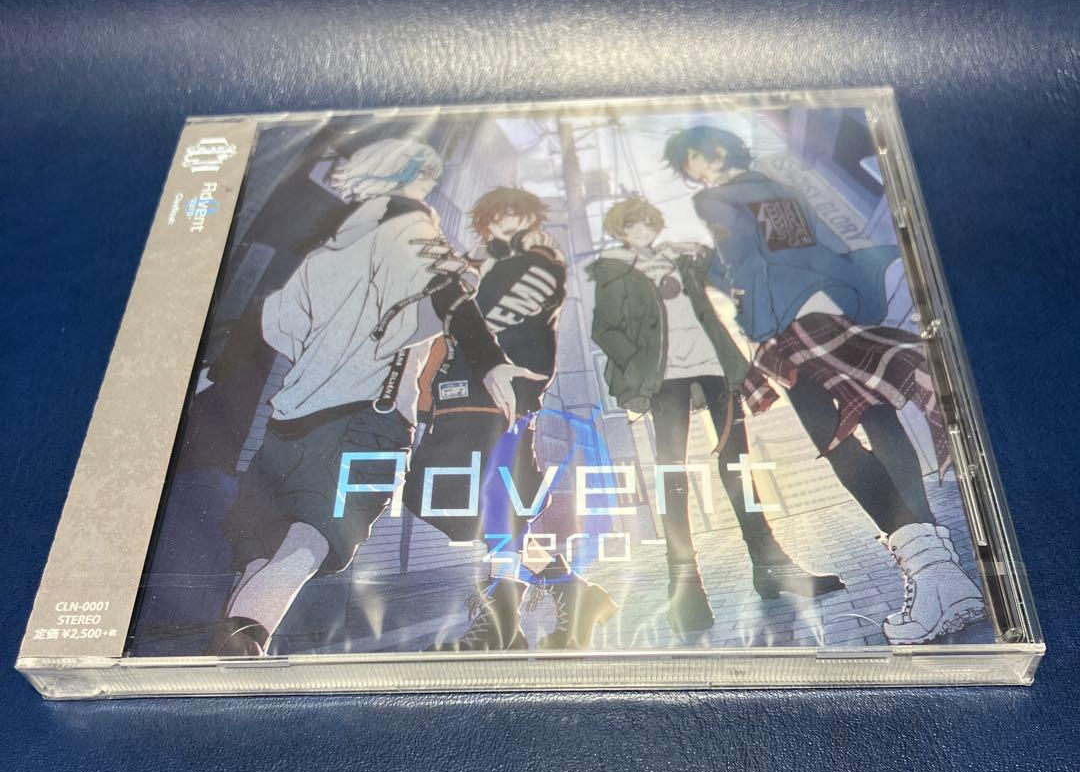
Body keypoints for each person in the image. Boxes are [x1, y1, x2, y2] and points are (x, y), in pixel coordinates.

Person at [205, 139, 541, 656]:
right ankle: (244, 643)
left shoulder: (331, 249)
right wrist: (491, 361)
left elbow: (278, 322)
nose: (430, 187)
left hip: (293, 415)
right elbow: (450, 294)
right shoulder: (412, 225)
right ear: (411, 179)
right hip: (367, 419)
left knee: (262, 542)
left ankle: (239, 644)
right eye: (426, 178)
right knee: (316, 536)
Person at [664, 125, 984, 644]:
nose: (695, 172)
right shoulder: (771, 186)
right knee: (877, 418)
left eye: (693, 160)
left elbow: (755, 260)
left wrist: (720, 277)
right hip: (820, 308)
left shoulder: (718, 198)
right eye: (689, 168)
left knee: (836, 441)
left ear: (713, 151)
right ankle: (942, 575)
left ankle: (934, 577)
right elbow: (787, 250)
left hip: (789, 325)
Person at [589, 197, 843, 635]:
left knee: (737, 465)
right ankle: (685, 587)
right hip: (665, 379)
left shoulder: (680, 258)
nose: (641, 232)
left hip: (714, 366)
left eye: (646, 223)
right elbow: (604, 330)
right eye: (631, 227)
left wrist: (699, 252)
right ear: (620, 231)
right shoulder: (615, 270)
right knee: (672, 475)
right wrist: (639, 366)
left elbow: (722, 276)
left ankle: (770, 566)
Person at [403, 187, 617, 651]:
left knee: (494, 510)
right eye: (496, 219)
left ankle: (501, 628)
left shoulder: (540, 262)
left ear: (529, 217)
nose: (505, 225)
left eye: (514, 216)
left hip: (499, 399)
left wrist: (461, 283)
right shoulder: (488, 263)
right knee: (451, 500)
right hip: (464, 397)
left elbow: (482, 320)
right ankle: (569, 593)